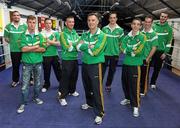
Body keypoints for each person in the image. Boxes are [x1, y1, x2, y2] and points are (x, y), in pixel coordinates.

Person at [77, 12, 106, 125]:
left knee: (96, 89)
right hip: (85, 63)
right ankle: (89, 103)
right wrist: (88, 46)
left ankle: (100, 113)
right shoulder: (85, 34)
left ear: (98, 22)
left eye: (93, 20)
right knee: (87, 86)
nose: (91, 22)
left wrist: (85, 47)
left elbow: (96, 52)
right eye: (89, 20)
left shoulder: (102, 35)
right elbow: (78, 47)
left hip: (95, 65)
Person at [17, 15, 46, 114]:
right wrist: (35, 47)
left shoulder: (40, 35)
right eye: (30, 22)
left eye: (34, 22)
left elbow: (43, 49)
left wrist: (30, 47)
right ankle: (23, 103)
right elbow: (23, 49)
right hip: (27, 63)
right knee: (25, 85)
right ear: (27, 23)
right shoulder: (23, 35)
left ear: (36, 24)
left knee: (38, 83)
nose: (32, 24)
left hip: (38, 62)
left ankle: (36, 98)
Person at [120, 18, 146, 117]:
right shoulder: (127, 37)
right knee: (125, 83)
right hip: (126, 63)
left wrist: (128, 49)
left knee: (134, 86)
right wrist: (131, 49)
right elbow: (122, 47)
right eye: (134, 24)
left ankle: (136, 106)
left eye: (138, 24)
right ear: (131, 25)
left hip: (135, 65)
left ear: (140, 26)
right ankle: (127, 98)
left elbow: (139, 51)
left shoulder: (143, 37)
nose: (135, 26)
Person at [58, 15, 80, 106]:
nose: (71, 23)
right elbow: (68, 48)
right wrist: (74, 46)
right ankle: (61, 96)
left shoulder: (75, 33)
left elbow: (79, 45)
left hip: (75, 58)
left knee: (74, 76)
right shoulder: (63, 34)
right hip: (67, 59)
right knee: (65, 78)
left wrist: (73, 45)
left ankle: (72, 91)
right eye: (69, 22)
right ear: (66, 23)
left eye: (73, 22)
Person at [102, 12, 124, 92]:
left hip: (114, 55)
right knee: (102, 71)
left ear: (116, 19)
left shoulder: (120, 30)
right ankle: (99, 84)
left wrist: (119, 52)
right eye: (111, 18)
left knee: (112, 71)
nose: (112, 19)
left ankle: (108, 85)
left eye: (114, 18)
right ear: (109, 19)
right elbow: (101, 41)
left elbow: (122, 43)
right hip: (104, 54)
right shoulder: (104, 29)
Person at [4, 11, 27, 87]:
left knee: (27, 66)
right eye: (14, 15)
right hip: (14, 50)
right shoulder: (8, 26)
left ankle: (29, 79)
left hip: (24, 49)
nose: (16, 16)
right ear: (12, 17)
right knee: (15, 66)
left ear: (20, 16)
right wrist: (12, 41)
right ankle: (15, 80)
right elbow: (6, 37)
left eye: (18, 15)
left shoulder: (24, 26)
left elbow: (28, 35)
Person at [150, 12, 173, 89]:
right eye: (162, 16)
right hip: (151, 50)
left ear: (167, 18)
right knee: (146, 66)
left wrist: (165, 53)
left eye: (165, 17)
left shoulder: (169, 29)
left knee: (157, 68)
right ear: (160, 16)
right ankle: (144, 81)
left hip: (160, 52)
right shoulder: (153, 26)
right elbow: (149, 38)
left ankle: (153, 82)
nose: (163, 18)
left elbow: (169, 43)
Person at [41, 18, 62, 93]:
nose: (48, 25)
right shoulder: (42, 34)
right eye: (47, 23)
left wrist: (49, 42)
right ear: (45, 24)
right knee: (46, 71)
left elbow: (59, 44)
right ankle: (46, 85)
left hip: (54, 55)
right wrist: (53, 42)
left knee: (58, 70)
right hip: (45, 55)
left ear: (51, 24)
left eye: (50, 23)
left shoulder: (55, 33)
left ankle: (61, 84)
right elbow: (43, 46)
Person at [140, 16, 158, 96]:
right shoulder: (140, 32)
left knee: (144, 75)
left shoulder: (154, 34)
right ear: (144, 22)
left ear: (151, 23)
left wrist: (148, 58)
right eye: (146, 22)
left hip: (146, 59)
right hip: (138, 58)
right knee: (138, 74)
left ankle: (143, 91)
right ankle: (138, 88)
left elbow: (154, 48)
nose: (147, 23)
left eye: (149, 22)